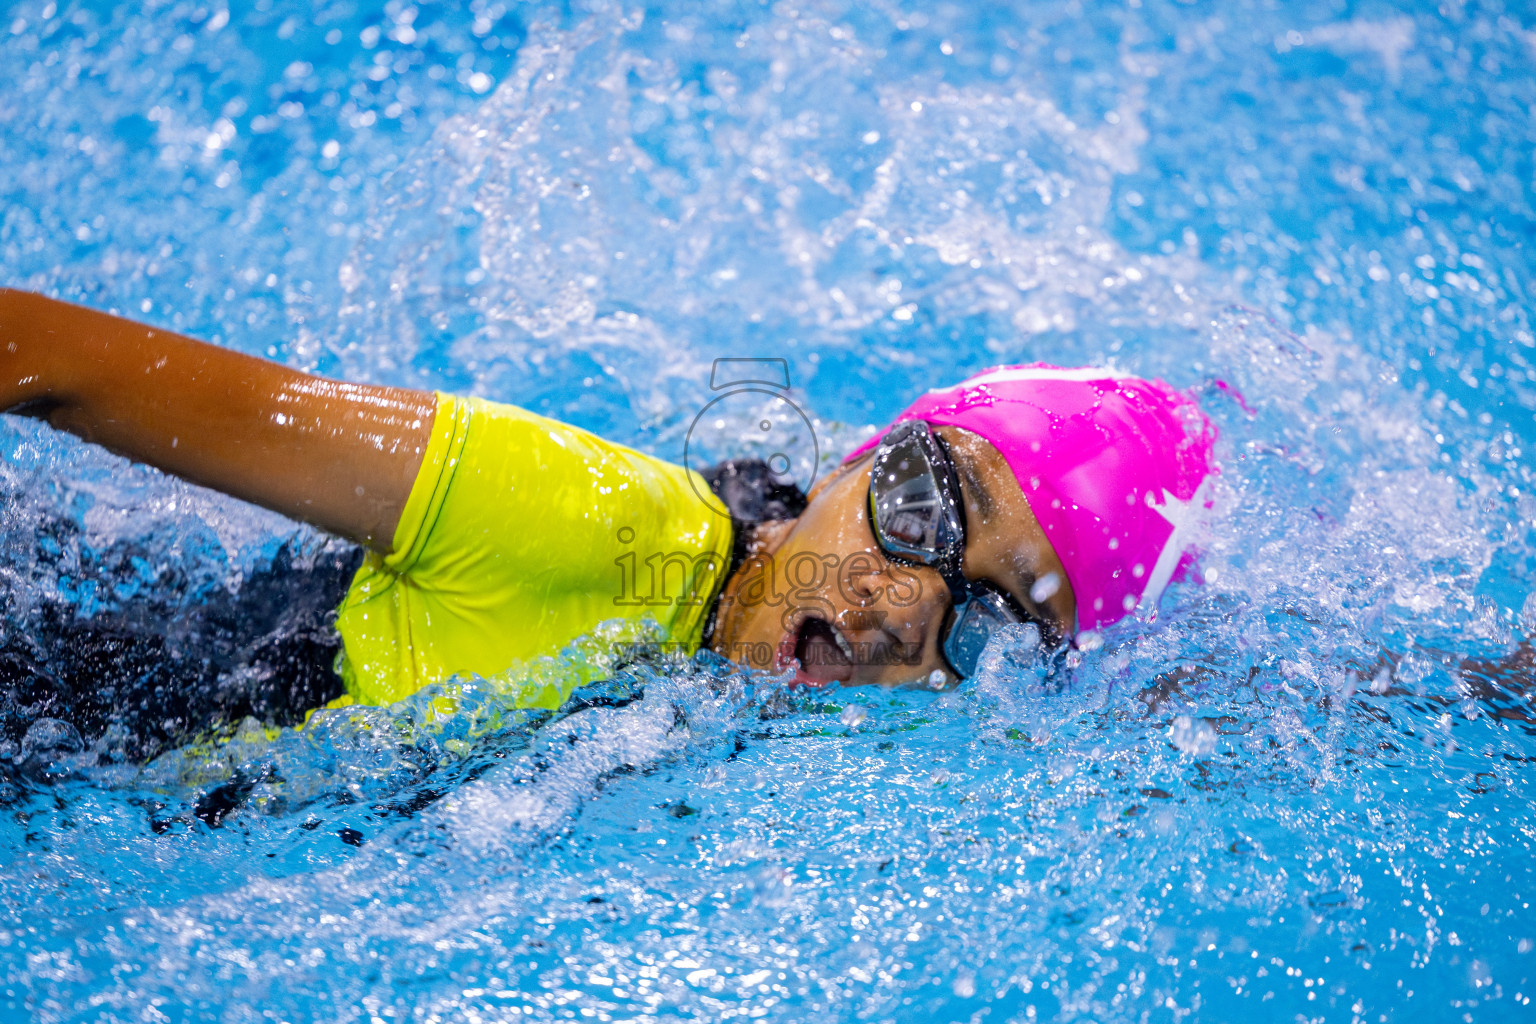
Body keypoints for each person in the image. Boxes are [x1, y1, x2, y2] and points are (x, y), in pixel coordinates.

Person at [0, 288, 1219, 748]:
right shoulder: (581, 515)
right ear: (860, 455)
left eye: (999, 618)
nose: (902, 603)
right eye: (920, 504)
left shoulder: (729, 692)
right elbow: (50, 360)